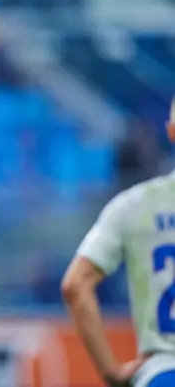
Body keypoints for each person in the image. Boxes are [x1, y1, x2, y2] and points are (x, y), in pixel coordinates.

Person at [61, 99, 175, 387]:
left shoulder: (133, 205)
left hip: (162, 372)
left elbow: (75, 284)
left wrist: (110, 370)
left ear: (171, 132)